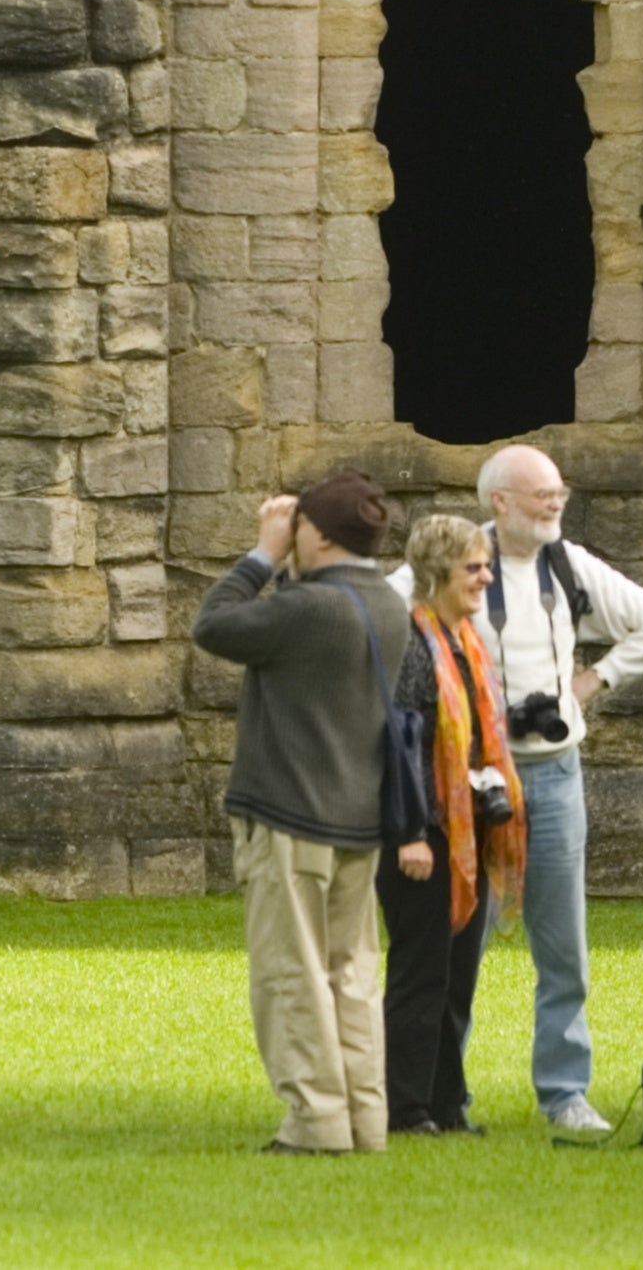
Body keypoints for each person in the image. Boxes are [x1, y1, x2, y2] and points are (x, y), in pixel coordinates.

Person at [390, 443, 643, 1133]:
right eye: (541, 493)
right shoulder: (452, 559)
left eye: (559, 493)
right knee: (456, 942)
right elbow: (378, 614)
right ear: (499, 503)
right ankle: (436, 1090)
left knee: (563, 944)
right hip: (466, 780)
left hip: (550, 772)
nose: (556, 503)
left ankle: (565, 1091)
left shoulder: (569, 565)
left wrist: (596, 679)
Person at [191, 470, 405, 1155]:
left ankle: (314, 1123)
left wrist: (261, 553)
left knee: (291, 974)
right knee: (352, 977)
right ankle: (364, 1120)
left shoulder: (310, 608)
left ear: (316, 532)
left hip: (290, 816)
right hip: (357, 818)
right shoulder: (387, 604)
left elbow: (214, 624)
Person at [377, 514, 524, 1137]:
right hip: (425, 834)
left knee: (458, 974)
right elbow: (402, 743)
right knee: (422, 971)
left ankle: (445, 1102)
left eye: (486, 565)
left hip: (469, 833)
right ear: (437, 570)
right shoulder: (413, 642)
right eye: (474, 567)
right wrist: (410, 831)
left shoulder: (468, 640)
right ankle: (404, 1105)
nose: (486, 577)